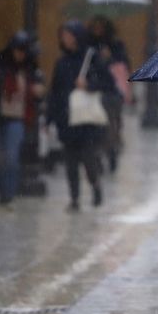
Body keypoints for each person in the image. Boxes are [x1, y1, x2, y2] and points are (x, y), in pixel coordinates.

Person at [48, 21, 113, 211]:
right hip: (67, 119)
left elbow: (108, 84)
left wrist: (89, 85)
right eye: (63, 35)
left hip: (87, 122)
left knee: (88, 159)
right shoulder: (61, 62)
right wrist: (50, 118)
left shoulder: (91, 58)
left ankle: (95, 185)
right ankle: (75, 199)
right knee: (70, 162)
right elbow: (55, 91)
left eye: (69, 35)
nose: (65, 39)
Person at [0, 31, 43, 207]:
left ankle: (9, 194)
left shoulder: (30, 69)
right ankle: (2, 191)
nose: (20, 54)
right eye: (18, 50)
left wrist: (38, 92)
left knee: (11, 156)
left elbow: (39, 93)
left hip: (17, 119)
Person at [87, 15, 130, 173]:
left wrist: (109, 58)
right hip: (95, 91)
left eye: (101, 26)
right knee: (97, 126)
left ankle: (111, 152)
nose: (98, 29)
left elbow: (123, 66)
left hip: (112, 93)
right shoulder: (89, 46)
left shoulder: (116, 45)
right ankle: (98, 156)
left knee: (111, 126)